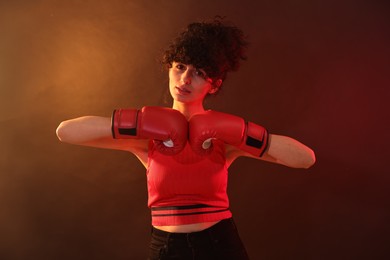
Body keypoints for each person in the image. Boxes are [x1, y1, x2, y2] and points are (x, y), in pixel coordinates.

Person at [56, 18, 315, 260]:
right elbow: (65, 131)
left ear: (213, 85)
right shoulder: (146, 136)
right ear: (169, 68)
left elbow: (305, 159)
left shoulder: (223, 138)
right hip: (166, 248)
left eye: (199, 72)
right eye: (180, 67)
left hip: (220, 245)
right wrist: (139, 123)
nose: (186, 79)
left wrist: (241, 131)